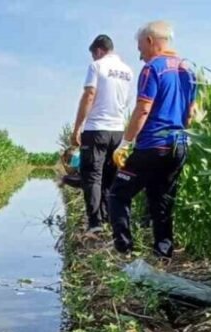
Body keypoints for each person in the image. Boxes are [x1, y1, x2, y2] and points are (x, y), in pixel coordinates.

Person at [108, 21, 197, 258]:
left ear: (150, 41)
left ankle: (124, 248)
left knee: (118, 194)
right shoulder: (188, 69)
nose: (140, 55)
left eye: (140, 48)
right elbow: (191, 114)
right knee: (161, 198)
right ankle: (163, 251)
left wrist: (126, 143)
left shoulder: (152, 69)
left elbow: (143, 110)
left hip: (152, 146)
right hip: (178, 146)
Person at [71, 35, 134, 233]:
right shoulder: (128, 71)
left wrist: (77, 127)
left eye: (93, 55)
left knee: (92, 177)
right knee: (111, 177)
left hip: (96, 128)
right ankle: (109, 219)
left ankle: (95, 224)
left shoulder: (97, 66)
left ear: (98, 50)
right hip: (118, 130)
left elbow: (89, 95)